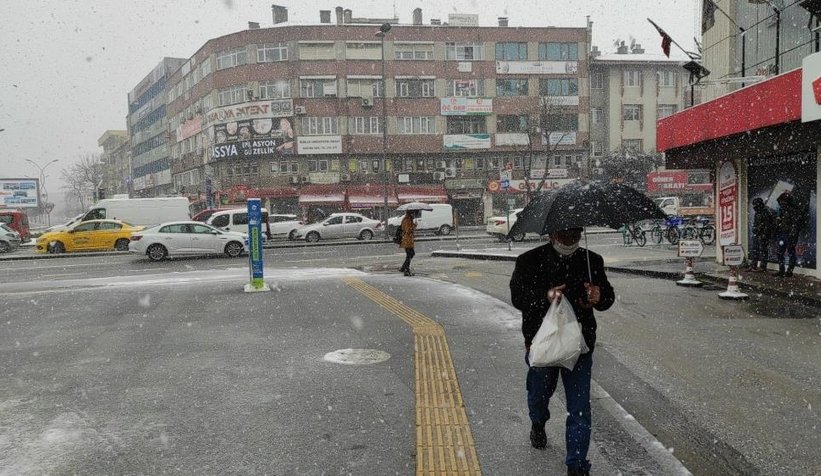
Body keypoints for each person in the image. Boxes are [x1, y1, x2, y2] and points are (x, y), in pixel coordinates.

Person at [509, 227, 615, 476]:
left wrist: (598, 297)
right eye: (565, 236)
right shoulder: (529, 261)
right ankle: (538, 421)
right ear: (551, 235)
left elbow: (607, 299)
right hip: (542, 343)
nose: (571, 241)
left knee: (579, 408)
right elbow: (518, 298)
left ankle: (576, 465)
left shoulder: (591, 261)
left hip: (579, 346)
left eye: (576, 235)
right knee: (539, 394)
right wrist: (545, 296)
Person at [773, 191, 806, 277]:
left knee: (791, 252)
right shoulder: (782, 211)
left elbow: (796, 224)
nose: (781, 204)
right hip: (782, 234)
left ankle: (789, 271)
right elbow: (779, 222)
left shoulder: (794, 211)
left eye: (782, 202)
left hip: (789, 235)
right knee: (780, 253)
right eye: (780, 202)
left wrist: (792, 234)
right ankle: (782, 270)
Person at [747, 197, 775, 272]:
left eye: (755, 205)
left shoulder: (765, 212)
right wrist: (755, 229)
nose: (754, 207)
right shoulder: (758, 212)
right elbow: (756, 223)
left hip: (763, 234)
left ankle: (763, 267)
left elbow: (768, 225)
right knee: (755, 250)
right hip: (758, 234)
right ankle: (753, 265)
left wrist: (763, 233)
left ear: (759, 204)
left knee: (763, 251)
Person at [399, 209, 418, 276]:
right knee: (410, 254)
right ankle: (406, 270)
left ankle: (404, 268)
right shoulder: (407, 220)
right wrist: (413, 226)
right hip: (407, 240)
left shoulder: (408, 219)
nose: (414, 215)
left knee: (410, 254)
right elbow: (408, 230)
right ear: (411, 213)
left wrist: (414, 225)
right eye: (414, 213)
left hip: (408, 240)